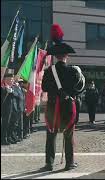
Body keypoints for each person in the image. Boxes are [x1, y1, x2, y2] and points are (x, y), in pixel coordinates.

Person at [41, 24, 85, 171]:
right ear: (66, 56)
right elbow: (78, 89)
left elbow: (44, 88)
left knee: (51, 135)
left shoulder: (49, 71)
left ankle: (49, 163)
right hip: (67, 106)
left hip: (53, 106)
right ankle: (69, 163)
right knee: (68, 135)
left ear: (55, 56)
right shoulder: (73, 71)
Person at [1, 70, 15, 145]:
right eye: (10, 79)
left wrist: (11, 91)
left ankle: (6, 137)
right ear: (6, 79)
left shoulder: (12, 87)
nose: (12, 80)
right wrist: (6, 91)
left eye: (12, 79)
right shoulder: (2, 87)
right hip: (4, 109)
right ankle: (3, 139)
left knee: (7, 124)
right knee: (4, 124)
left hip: (10, 109)